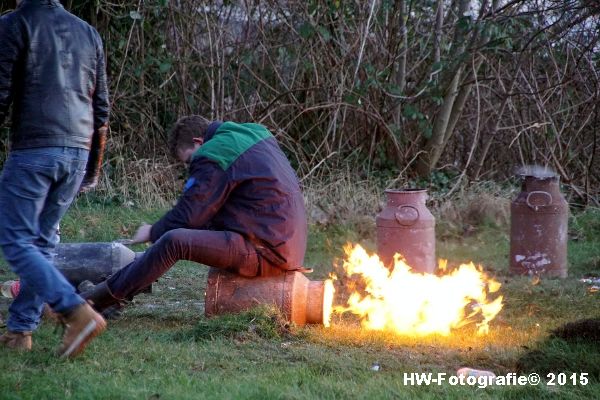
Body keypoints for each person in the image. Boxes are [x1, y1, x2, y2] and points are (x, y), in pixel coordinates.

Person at [83, 116, 308, 312]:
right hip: (285, 244)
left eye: (189, 159)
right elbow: (205, 213)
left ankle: (96, 302)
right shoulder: (252, 134)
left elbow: (189, 216)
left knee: (174, 241)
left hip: (265, 251)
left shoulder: (214, 151)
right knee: (190, 233)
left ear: (198, 142)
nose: (192, 166)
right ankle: (131, 276)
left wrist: (153, 231)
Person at [0, 0, 109, 357]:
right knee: (42, 243)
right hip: (77, 151)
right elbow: (101, 109)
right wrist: (91, 169)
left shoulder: (15, 25)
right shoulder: (88, 32)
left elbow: (0, 94)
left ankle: (76, 311)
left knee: (15, 239)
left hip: (35, 149)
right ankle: (20, 332)